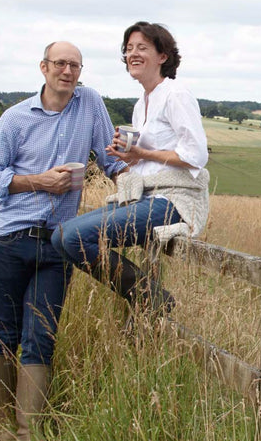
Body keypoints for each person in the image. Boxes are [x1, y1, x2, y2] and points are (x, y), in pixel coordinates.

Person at [0, 41, 127, 441]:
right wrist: (38, 181)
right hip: (10, 239)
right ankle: (1, 431)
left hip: (58, 244)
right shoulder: (15, 118)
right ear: (43, 67)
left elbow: (111, 160)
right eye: (60, 63)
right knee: (4, 333)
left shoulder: (90, 103)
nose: (68, 71)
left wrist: (136, 183)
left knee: (41, 337)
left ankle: (29, 440)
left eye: (75, 65)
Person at [51, 21, 209, 317]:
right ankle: (147, 296)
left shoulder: (176, 95)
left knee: (74, 237)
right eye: (129, 49)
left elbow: (196, 156)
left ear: (163, 56)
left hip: (173, 200)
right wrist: (129, 157)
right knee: (61, 235)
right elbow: (151, 161)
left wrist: (143, 152)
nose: (132, 54)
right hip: (146, 196)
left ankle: (150, 298)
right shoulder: (142, 102)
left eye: (142, 48)